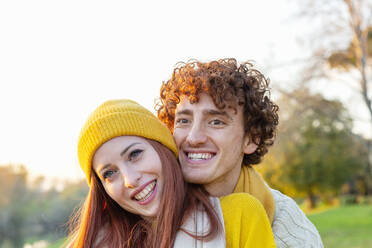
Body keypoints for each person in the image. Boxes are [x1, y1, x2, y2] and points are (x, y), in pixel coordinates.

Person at [157, 58, 324, 248]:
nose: (193, 138)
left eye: (216, 122)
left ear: (251, 139)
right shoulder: (148, 205)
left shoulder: (288, 229)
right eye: (183, 121)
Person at [66, 99, 276, 248]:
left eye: (135, 154)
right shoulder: (94, 242)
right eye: (109, 173)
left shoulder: (240, 215)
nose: (130, 180)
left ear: (164, 149)